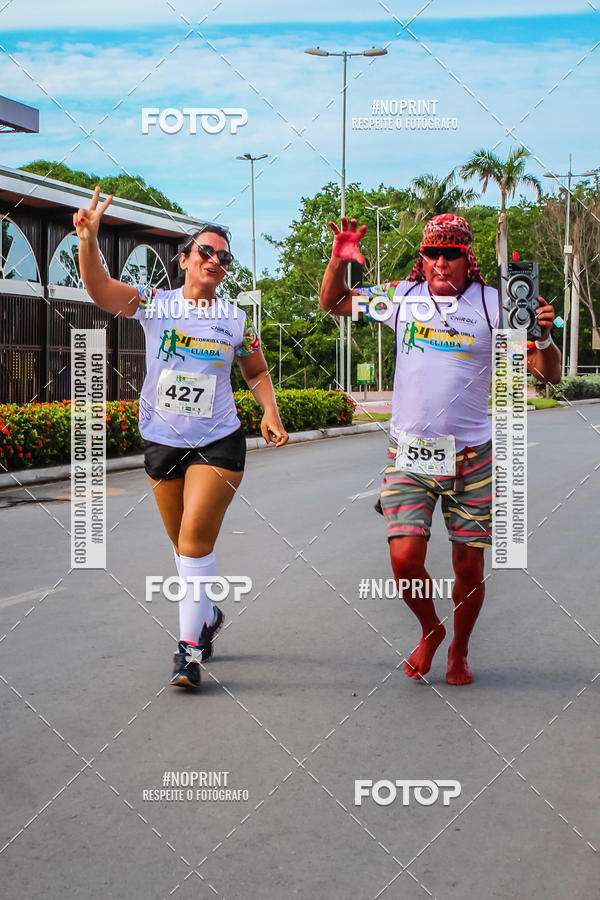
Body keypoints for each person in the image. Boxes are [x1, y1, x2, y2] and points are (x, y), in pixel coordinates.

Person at [320, 213, 560, 685]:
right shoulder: (404, 298)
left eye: (452, 254)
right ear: (423, 258)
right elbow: (334, 304)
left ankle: (460, 650)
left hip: (473, 456)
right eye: (433, 254)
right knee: (404, 557)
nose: (441, 263)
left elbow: (546, 374)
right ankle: (431, 629)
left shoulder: (495, 306)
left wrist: (545, 336)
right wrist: (338, 257)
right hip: (409, 454)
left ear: (468, 260)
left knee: (467, 564)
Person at [75, 187, 288, 689]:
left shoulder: (236, 321)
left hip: (218, 441)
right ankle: (207, 615)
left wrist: (270, 412)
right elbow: (101, 289)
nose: (215, 260)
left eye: (224, 257)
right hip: (162, 440)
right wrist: (89, 239)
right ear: (185, 259)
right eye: (206, 252)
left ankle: (188, 653)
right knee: (181, 545)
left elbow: (255, 372)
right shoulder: (154, 303)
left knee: (194, 543)